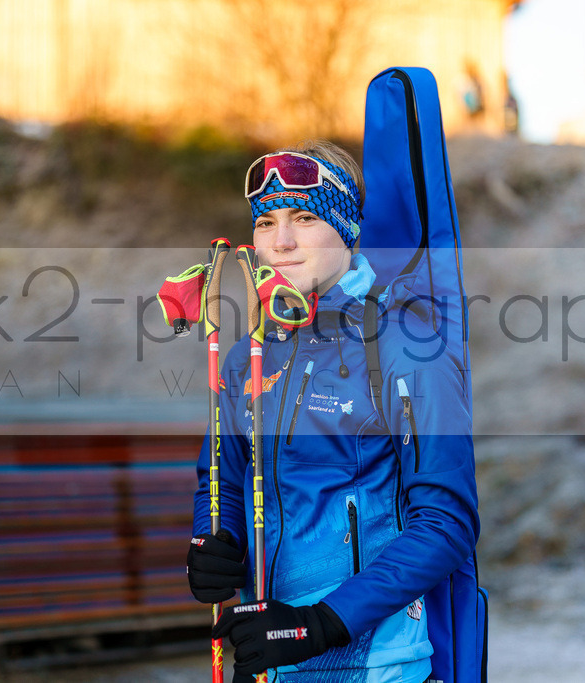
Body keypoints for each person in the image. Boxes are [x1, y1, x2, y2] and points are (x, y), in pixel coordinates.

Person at [187, 141, 479, 681]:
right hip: (270, 655)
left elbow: (445, 522)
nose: (282, 241)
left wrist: (319, 625)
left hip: (378, 661)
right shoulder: (246, 354)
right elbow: (220, 479)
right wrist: (213, 542)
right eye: (266, 221)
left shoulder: (403, 346)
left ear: (346, 230)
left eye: (304, 217)